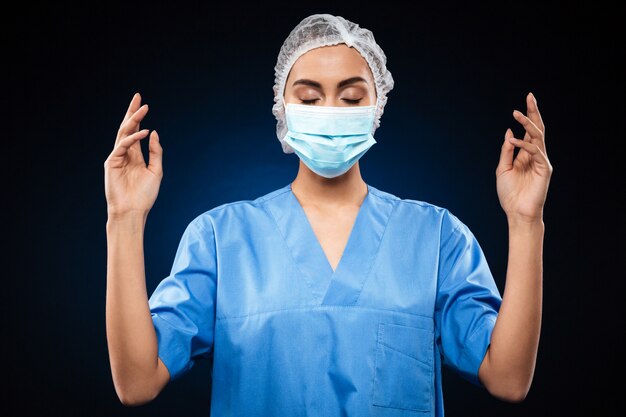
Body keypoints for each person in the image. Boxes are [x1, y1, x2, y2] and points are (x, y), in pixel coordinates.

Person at [104, 13, 552, 416]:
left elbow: (509, 380)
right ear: (283, 108)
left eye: (352, 97)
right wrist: (124, 218)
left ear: (378, 106)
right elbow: (138, 383)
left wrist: (526, 221)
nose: (331, 112)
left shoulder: (435, 238)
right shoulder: (221, 239)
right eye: (310, 98)